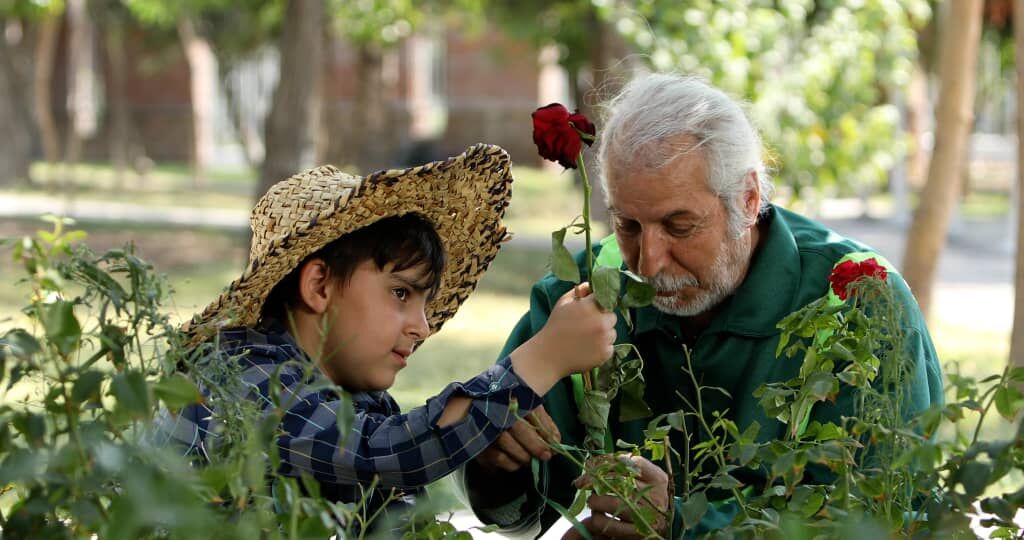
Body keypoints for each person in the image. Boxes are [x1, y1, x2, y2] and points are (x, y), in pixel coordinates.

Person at [458, 75, 944, 538]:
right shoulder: (583, 292)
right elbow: (517, 516)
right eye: (628, 225)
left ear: (748, 199)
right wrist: (495, 459)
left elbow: (891, 517)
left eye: (679, 226)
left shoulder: (858, 297)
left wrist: (687, 523)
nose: (648, 262)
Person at [154, 144, 617, 530]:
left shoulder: (356, 399)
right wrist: (542, 360)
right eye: (400, 293)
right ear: (319, 286)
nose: (422, 326)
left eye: (424, 303)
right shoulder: (239, 372)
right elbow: (384, 454)